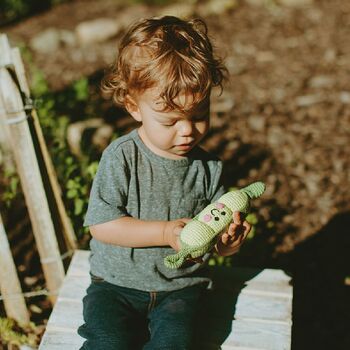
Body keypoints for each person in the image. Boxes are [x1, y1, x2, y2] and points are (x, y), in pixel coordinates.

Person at [77, 15, 252, 350]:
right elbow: (102, 225)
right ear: (133, 106)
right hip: (114, 286)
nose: (187, 130)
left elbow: (211, 233)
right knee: (106, 340)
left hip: (181, 287)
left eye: (199, 115)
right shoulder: (123, 157)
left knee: (176, 342)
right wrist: (165, 232)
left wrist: (229, 242)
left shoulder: (208, 167)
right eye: (170, 120)